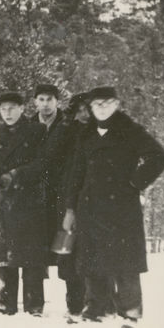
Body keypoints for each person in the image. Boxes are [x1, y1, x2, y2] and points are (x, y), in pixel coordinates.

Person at [64, 86, 164, 328]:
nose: (101, 109)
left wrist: (134, 182)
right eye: (96, 105)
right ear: (90, 108)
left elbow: (159, 157)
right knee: (91, 255)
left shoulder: (129, 130)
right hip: (89, 205)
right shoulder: (86, 134)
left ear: (116, 104)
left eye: (106, 103)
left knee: (125, 259)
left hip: (121, 205)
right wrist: (70, 207)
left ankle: (130, 310)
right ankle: (95, 307)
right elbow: (76, 172)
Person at [0, 93, 50, 316]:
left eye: (12, 108)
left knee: (30, 253)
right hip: (2, 200)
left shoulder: (37, 131)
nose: (8, 113)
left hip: (29, 200)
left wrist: (15, 174)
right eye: (4, 109)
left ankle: (34, 305)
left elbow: (42, 163)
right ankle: (4, 302)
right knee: (2, 251)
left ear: (22, 108)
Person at [47, 89, 91, 316]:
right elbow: (51, 158)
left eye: (87, 110)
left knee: (92, 252)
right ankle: (74, 304)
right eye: (79, 110)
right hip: (65, 198)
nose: (83, 114)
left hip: (93, 199)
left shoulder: (100, 132)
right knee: (68, 252)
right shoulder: (66, 132)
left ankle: (95, 303)